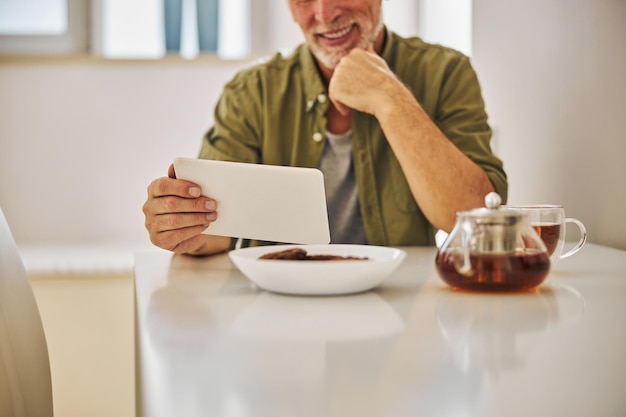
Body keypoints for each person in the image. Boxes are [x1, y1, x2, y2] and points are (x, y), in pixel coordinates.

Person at [143, 0, 508, 256]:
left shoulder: (446, 73)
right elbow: (215, 232)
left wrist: (389, 97)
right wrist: (181, 226)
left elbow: (475, 217)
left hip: (401, 314)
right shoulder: (252, 92)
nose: (324, 13)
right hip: (278, 309)